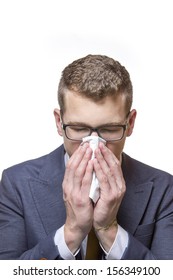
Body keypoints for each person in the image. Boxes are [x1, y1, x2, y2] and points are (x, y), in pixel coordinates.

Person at [0, 54, 173, 260]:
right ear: (59, 122)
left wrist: (110, 230)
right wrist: (71, 232)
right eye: (79, 128)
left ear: (130, 123)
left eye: (109, 129)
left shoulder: (163, 189)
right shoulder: (16, 183)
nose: (93, 145)